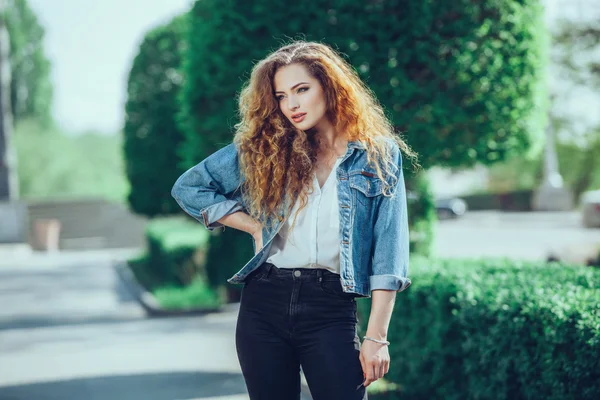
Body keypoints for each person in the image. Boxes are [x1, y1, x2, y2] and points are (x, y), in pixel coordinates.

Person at [171, 40, 417, 400]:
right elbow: (190, 187)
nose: (292, 105)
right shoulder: (267, 148)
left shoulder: (377, 154)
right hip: (264, 302)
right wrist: (252, 226)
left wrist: (376, 337)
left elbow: (389, 252)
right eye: (282, 96)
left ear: (330, 86)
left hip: (331, 307)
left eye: (302, 89)